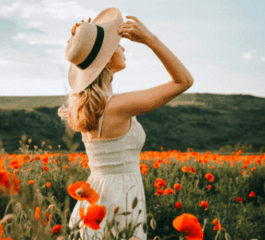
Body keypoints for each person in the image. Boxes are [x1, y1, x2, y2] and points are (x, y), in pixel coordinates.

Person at [58, 8, 193, 240]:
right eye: (117, 45)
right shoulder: (116, 106)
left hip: (96, 196)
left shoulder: (88, 108)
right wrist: (150, 39)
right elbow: (184, 81)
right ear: (108, 57)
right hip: (119, 198)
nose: (122, 47)